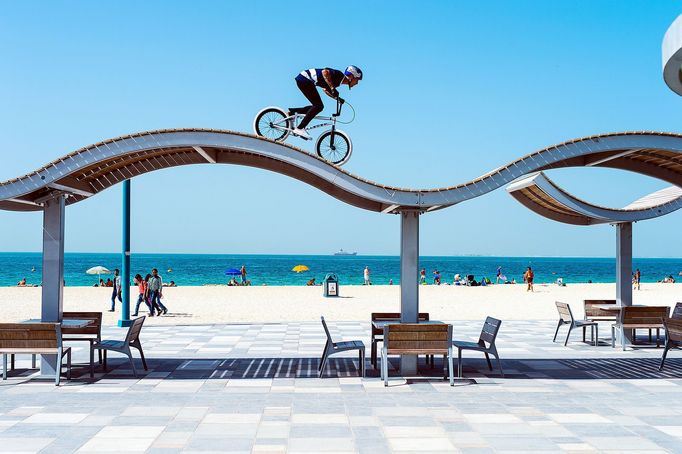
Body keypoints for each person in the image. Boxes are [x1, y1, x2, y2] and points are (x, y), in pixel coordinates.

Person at [289, 65, 363, 139]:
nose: (357, 83)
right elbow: (325, 72)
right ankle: (300, 128)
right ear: (351, 76)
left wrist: (337, 98)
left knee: (317, 106)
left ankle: (293, 112)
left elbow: (326, 90)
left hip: (306, 80)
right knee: (318, 106)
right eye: (357, 80)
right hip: (305, 79)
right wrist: (332, 88)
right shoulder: (339, 75)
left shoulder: (338, 82)